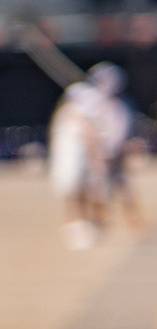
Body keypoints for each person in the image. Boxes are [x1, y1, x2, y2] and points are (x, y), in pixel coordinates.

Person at [82, 63, 140, 237]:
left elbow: (121, 131)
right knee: (96, 188)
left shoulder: (119, 106)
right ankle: (99, 222)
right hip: (98, 154)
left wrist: (113, 149)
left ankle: (134, 222)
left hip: (114, 153)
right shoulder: (92, 103)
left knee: (122, 186)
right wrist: (95, 149)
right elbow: (88, 129)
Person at [49, 78, 100, 250]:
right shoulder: (77, 117)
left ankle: (77, 225)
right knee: (78, 194)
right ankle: (78, 225)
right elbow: (89, 139)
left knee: (73, 196)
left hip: (67, 161)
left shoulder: (63, 115)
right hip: (74, 161)